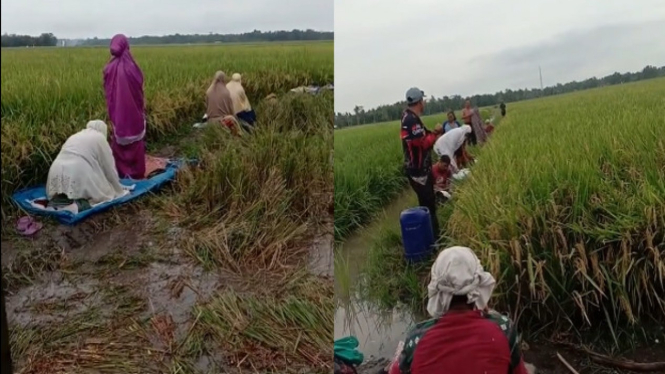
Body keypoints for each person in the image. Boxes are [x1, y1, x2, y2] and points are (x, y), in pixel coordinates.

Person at [387, 247, 534, 374]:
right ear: (479, 283)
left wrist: (399, 357)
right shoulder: (504, 329)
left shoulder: (417, 338)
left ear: (436, 287)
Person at [46, 121, 128, 208]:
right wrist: (119, 190)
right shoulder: (99, 137)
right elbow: (109, 167)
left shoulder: (75, 136)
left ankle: (60, 198)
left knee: (68, 187)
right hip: (78, 171)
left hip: (56, 170)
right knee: (105, 191)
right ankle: (77, 203)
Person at [103, 34, 146, 180]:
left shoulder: (109, 68)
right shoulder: (132, 67)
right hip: (133, 113)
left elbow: (108, 93)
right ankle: (137, 173)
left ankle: (122, 174)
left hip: (118, 114)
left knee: (120, 145)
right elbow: (140, 86)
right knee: (136, 144)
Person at [401, 87, 443, 236]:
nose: (424, 103)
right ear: (419, 101)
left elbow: (422, 137)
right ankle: (434, 239)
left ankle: (429, 236)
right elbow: (423, 143)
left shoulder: (409, 117)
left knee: (426, 204)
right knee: (429, 207)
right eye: (423, 100)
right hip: (419, 171)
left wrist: (433, 133)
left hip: (418, 170)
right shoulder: (411, 120)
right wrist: (436, 133)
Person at [206, 71, 242, 135]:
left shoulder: (209, 91)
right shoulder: (226, 92)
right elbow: (231, 110)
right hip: (222, 121)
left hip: (210, 121)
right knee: (234, 122)